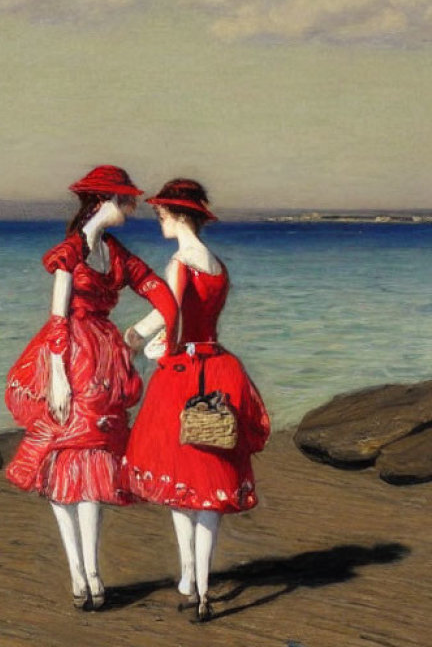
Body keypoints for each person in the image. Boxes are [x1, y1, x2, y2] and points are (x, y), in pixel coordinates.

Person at [4, 165, 179, 611]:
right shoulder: (71, 251)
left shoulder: (116, 253)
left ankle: (93, 572)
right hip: (63, 360)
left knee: (93, 463)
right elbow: (58, 317)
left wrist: (136, 337)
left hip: (102, 363)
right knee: (61, 462)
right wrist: (59, 377)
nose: (131, 207)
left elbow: (165, 298)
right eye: (124, 200)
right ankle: (78, 573)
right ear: (103, 202)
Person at [123, 178, 270, 623]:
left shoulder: (179, 261)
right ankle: (198, 584)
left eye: (162, 216)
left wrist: (134, 338)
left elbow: (167, 317)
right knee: (208, 481)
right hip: (219, 368)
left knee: (179, 476)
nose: (160, 223)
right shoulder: (218, 264)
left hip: (184, 376)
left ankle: (190, 577)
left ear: (179, 217)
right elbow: (199, 318)